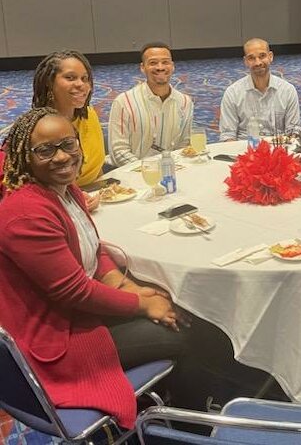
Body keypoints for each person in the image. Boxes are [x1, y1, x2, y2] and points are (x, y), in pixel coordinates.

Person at [0, 107, 202, 428]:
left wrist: (125, 285)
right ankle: (186, 425)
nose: (62, 157)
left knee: (168, 301)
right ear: (25, 156)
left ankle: (175, 409)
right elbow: (74, 292)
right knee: (184, 329)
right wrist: (143, 303)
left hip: (72, 312)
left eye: (68, 144)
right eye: (45, 150)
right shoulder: (26, 212)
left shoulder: (66, 191)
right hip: (55, 340)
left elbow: (93, 247)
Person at [108, 42, 193, 166]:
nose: (160, 67)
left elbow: (184, 145)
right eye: (153, 63)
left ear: (172, 66)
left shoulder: (185, 102)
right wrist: (148, 170)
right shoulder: (123, 102)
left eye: (165, 62)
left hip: (173, 172)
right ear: (142, 67)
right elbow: (118, 151)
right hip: (134, 175)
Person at [32, 51, 105, 188]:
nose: (80, 84)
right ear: (49, 82)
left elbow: (97, 168)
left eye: (85, 78)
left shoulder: (89, 115)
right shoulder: (39, 128)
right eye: (70, 78)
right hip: (59, 201)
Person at [219, 38, 300, 141]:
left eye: (262, 56)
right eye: (251, 58)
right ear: (246, 62)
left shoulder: (288, 91)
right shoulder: (233, 93)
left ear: (270, 57)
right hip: (245, 150)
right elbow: (228, 135)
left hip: (277, 150)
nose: (258, 62)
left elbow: (293, 132)